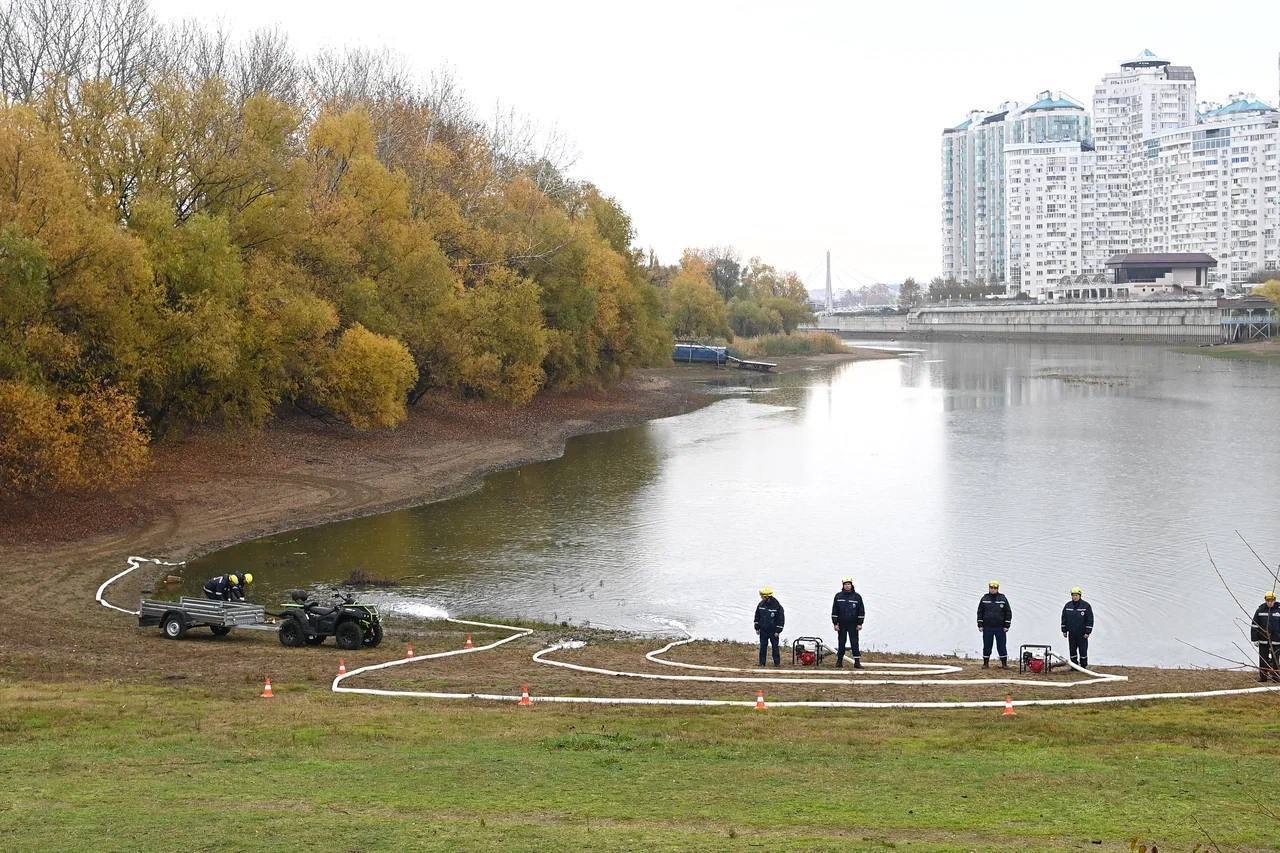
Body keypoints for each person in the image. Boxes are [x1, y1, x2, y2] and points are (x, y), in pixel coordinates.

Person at [830, 577, 865, 669]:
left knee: (854, 642)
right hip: (841, 624)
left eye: (849, 584)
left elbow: (861, 611)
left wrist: (860, 623)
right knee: (841, 642)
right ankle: (839, 662)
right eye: (845, 584)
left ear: (851, 585)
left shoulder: (857, 597)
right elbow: (834, 611)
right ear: (843, 585)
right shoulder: (838, 596)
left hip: (853, 624)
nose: (847, 586)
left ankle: (857, 662)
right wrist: (835, 624)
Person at [976, 580, 1012, 669]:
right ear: (989, 588)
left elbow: (1008, 612)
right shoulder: (984, 598)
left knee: (1002, 646)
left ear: (997, 589)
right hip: (987, 627)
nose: (992, 589)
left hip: (1000, 628)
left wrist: (1007, 626)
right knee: (987, 646)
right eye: (991, 588)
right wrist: (980, 625)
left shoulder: (1002, 599)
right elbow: (980, 612)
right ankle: (985, 664)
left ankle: (1004, 664)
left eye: (994, 588)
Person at [1060, 586, 1094, 668]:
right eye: (1073, 595)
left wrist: (1087, 632)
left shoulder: (1086, 606)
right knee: (1072, 650)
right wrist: (1064, 630)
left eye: (1076, 595)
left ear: (1080, 595)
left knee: (1083, 650)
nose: (1074, 597)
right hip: (1071, 633)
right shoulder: (1068, 606)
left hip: (1082, 634)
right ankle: (1074, 665)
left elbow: (1090, 620)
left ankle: (1083, 666)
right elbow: (1063, 618)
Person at [1250, 590, 1280, 683]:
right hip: (1263, 640)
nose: (1270, 602)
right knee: (1263, 659)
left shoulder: (1279, 610)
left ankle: (1276, 677)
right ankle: (1263, 677)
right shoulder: (1260, 610)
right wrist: (1254, 639)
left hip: (1276, 640)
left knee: (1276, 659)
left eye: (1271, 600)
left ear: (1275, 600)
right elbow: (1254, 625)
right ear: (1265, 600)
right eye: (1268, 600)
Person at [754, 587, 785, 667]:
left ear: (767, 597)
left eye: (762, 596)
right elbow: (757, 616)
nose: (761, 597)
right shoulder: (761, 604)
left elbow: (781, 620)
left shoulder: (777, 606)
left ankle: (777, 663)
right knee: (762, 647)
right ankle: (762, 663)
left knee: (775, 647)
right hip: (763, 630)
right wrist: (757, 627)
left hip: (773, 631)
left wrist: (778, 631)